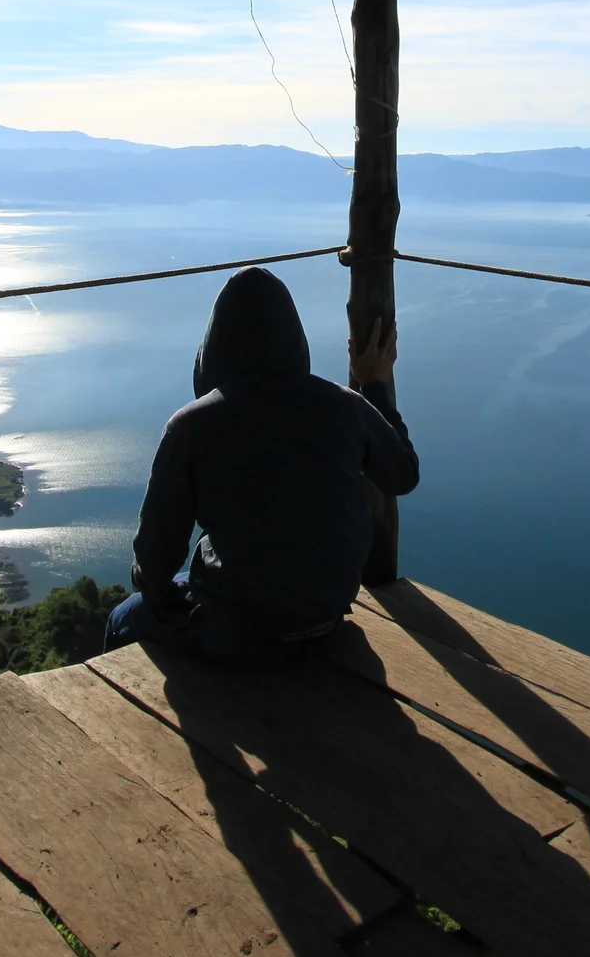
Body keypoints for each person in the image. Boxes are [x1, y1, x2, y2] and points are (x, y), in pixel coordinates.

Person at [104, 266, 417, 664]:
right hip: (325, 620)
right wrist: (374, 384)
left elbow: (156, 558)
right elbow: (403, 474)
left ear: (213, 347)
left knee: (122, 617)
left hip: (233, 632)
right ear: (295, 340)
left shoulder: (192, 425)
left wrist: (153, 590)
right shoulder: (346, 406)